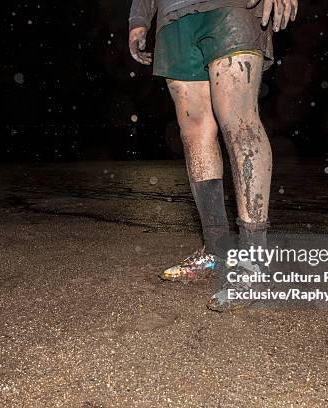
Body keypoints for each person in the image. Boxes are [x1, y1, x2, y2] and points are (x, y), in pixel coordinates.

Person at [128, 0, 298, 311]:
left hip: (231, 7)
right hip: (174, 16)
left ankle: (253, 264)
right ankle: (217, 252)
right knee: (194, 130)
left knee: (238, 119)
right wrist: (139, 19)